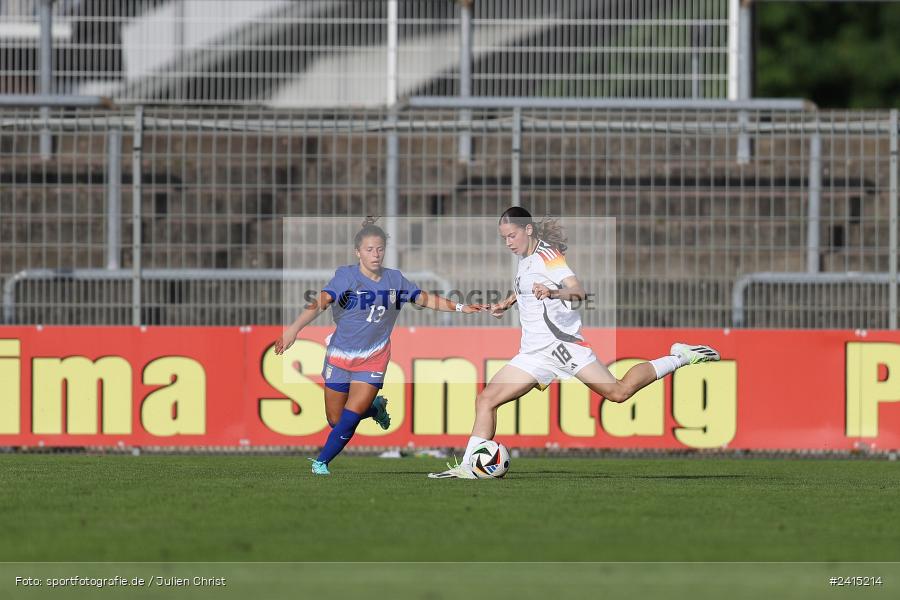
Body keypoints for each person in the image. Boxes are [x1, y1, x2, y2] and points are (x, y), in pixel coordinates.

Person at [428, 207, 720, 479]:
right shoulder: (524, 258)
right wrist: (507, 302)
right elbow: (528, 287)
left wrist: (553, 293)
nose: (508, 243)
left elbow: (578, 291)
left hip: (562, 346)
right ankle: (469, 465)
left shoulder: (549, 256)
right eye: (504, 238)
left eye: (512, 236)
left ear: (528, 230)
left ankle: (680, 356)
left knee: (618, 393)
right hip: (533, 353)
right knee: (486, 400)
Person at [275, 217, 485, 475]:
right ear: (358, 252)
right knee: (336, 420)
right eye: (369, 249)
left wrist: (461, 307)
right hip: (339, 356)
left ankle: (321, 462)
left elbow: (425, 298)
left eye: (380, 249)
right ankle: (376, 408)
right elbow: (321, 302)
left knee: (350, 417)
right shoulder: (346, 276)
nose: (375, 254)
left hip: (374, 358)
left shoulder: (395, 280)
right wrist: (294, 329)